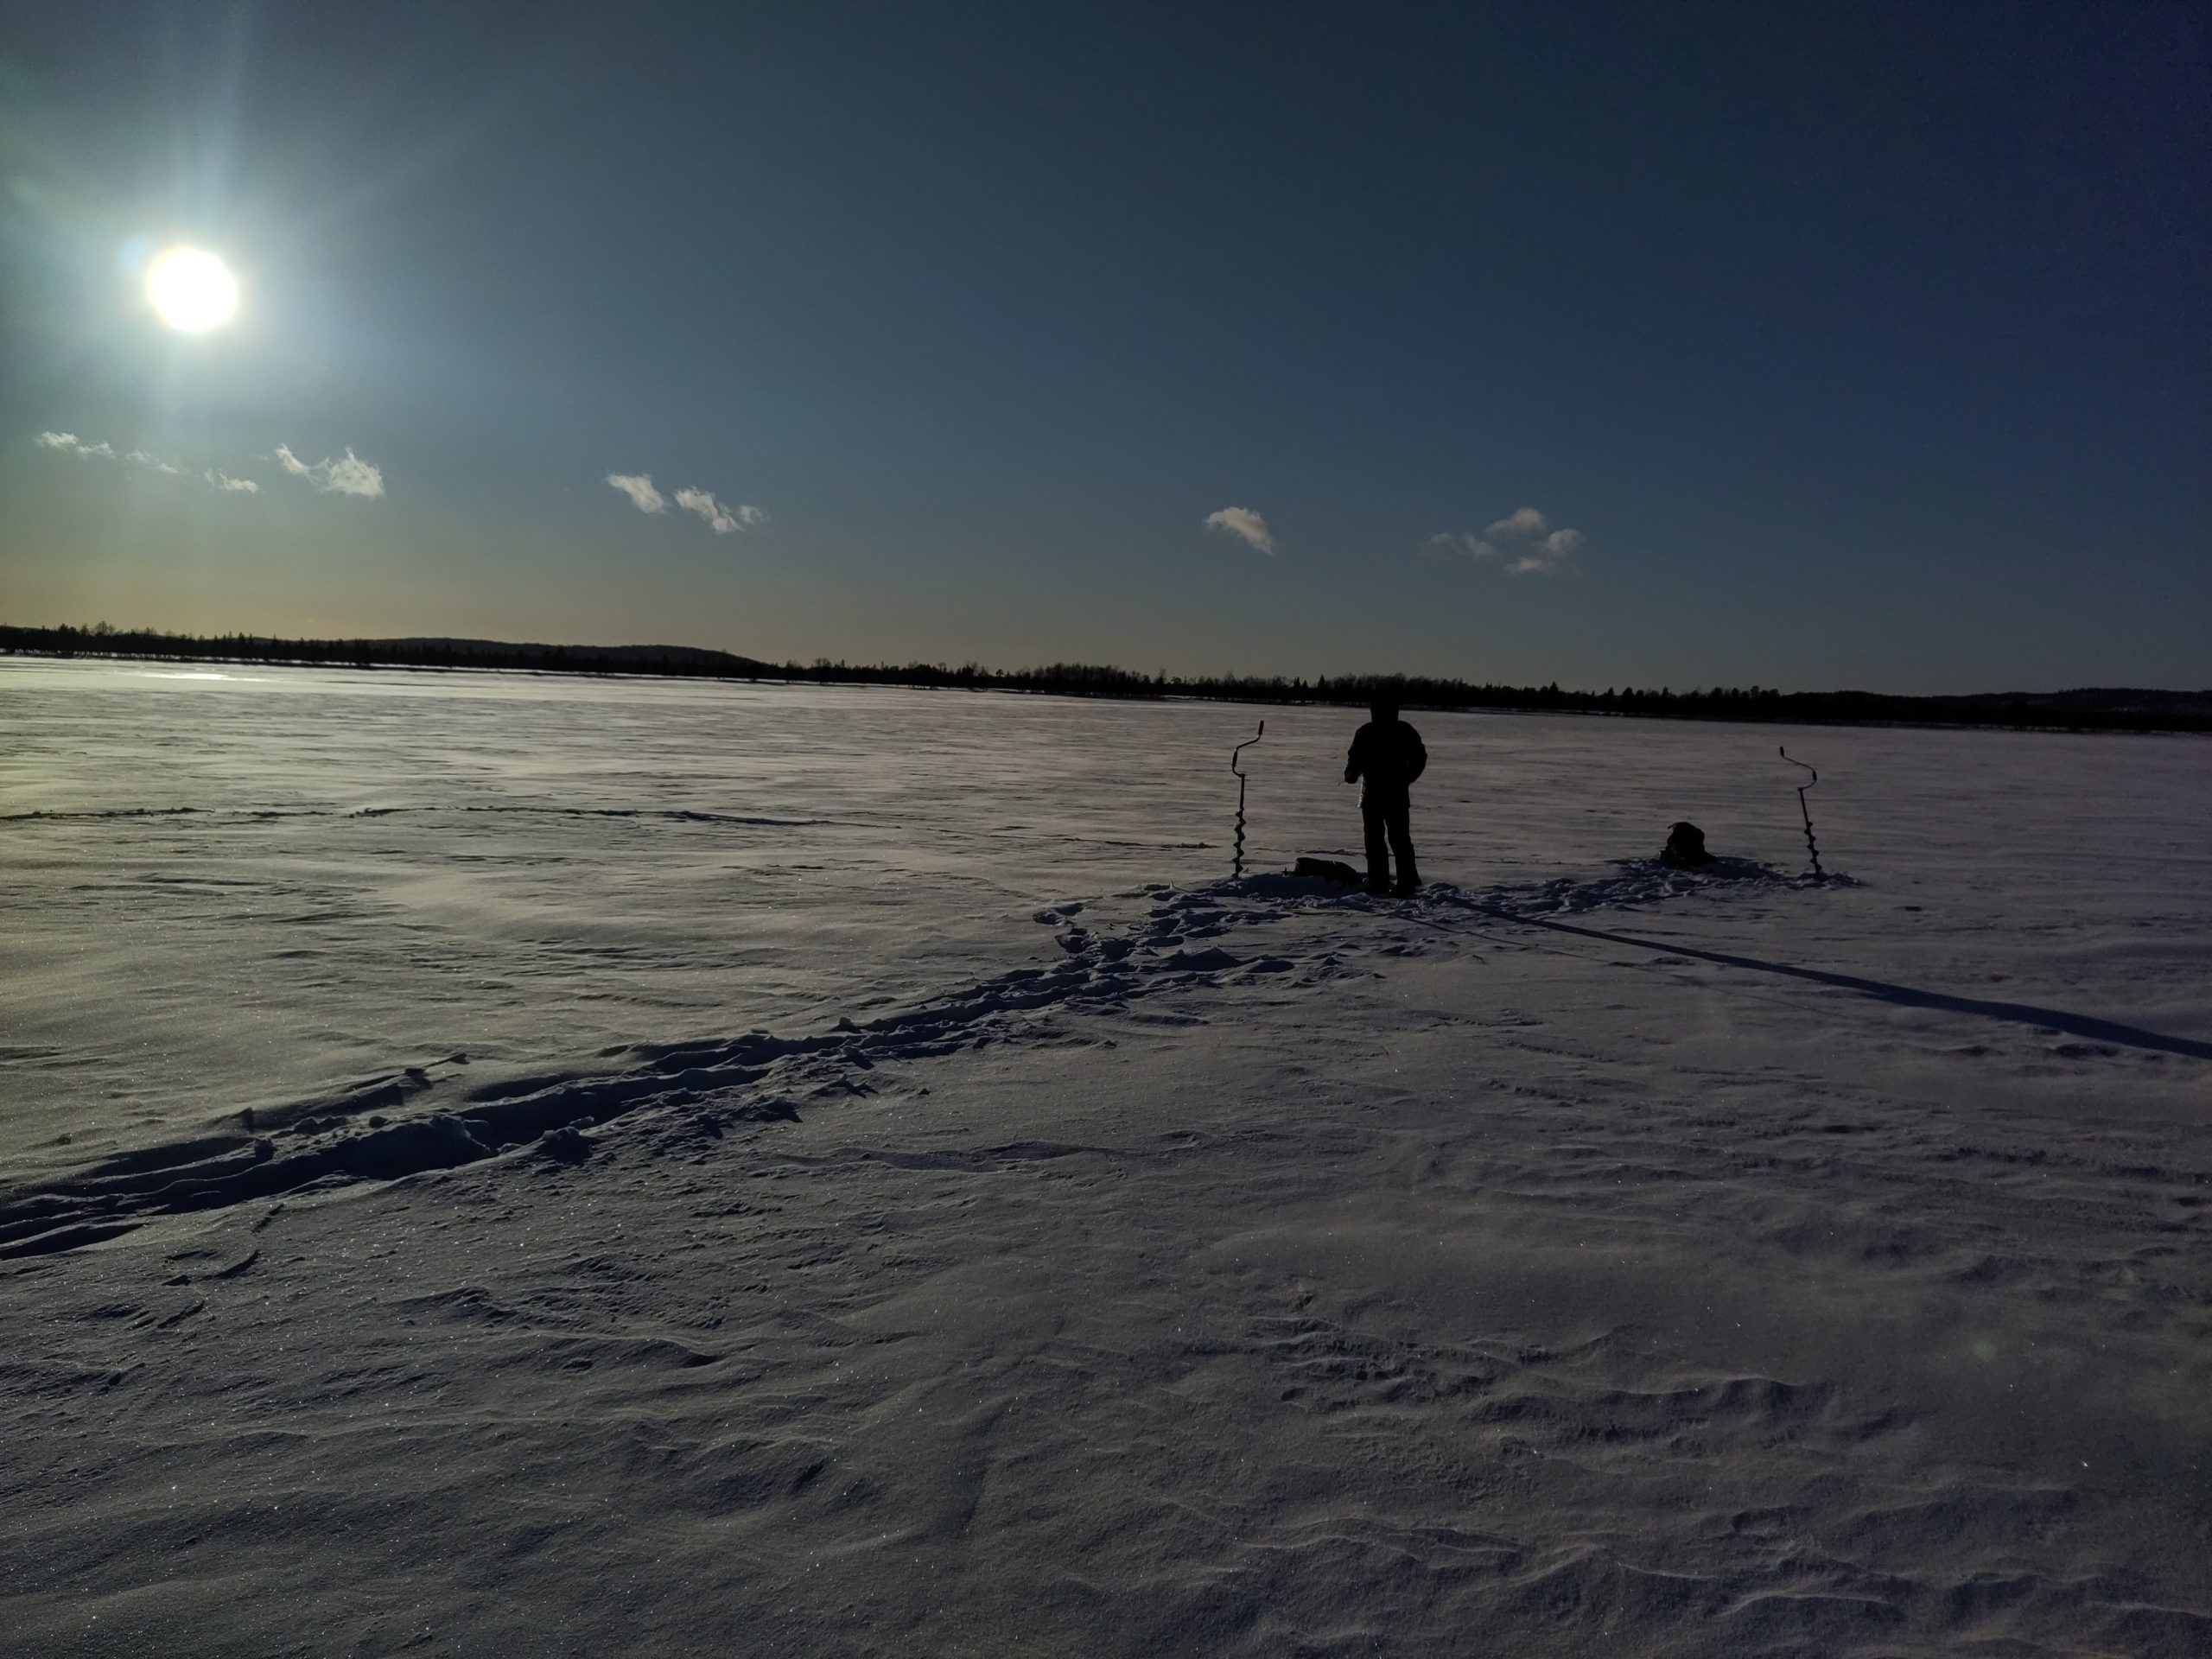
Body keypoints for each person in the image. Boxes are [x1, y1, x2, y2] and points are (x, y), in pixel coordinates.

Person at [1344, 696, 1427, 896]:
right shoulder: (1369, 732)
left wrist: (1407, 777)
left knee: (1391, 841)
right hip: (1377, 796)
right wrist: (1352, 775)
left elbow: (1419, 758)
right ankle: (1385, 882)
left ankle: (1399, 883)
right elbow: (1354, 761)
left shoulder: (1396, 731)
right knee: (1383, 841)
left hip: (1388, 796)